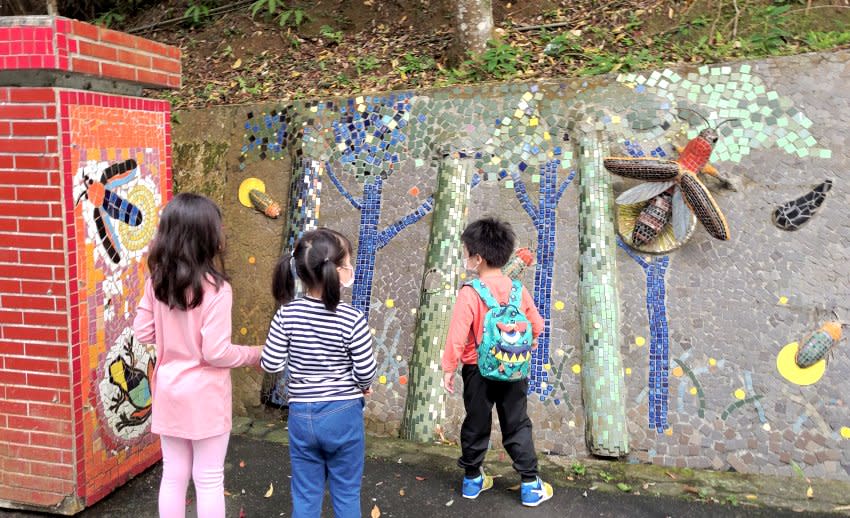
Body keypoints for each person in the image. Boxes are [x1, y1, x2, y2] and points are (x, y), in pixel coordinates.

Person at [132, 193, 262, 518]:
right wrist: (254, 354)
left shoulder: (156, 283)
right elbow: (216, 352)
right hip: (206, 398)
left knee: (173, 475)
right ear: (206, 236)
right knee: (208, 478)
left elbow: (143, 332)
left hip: (169, 391)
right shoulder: (217, 290)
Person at [262, 228, 377, 518]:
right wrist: (363, 386)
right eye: (349, 264)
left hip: (301, 415)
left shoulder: (286, 314)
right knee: (347, 492)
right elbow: (365, 370)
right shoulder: (352, 319)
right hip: (344, 414)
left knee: (305, 494)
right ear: (338, 271)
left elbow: (271, 363)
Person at [441, 216, 554, 507]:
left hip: (476, 370)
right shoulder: (517, 290)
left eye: (466, 253)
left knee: (476, 422)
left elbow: (456, 335)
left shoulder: (470, 293)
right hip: (514, 368)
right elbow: (537, 325)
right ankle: (530, 484)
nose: (465, 258)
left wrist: (449, 369)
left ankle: (471, 480)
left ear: (477, 258)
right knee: (516, 424)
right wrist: (530, 341)